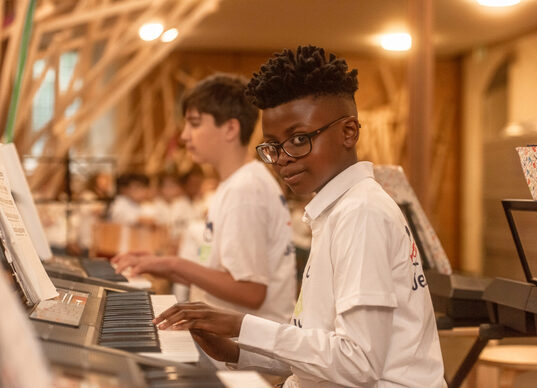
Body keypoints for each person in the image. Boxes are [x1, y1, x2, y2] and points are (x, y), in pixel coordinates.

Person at [153, 46, 446, 387]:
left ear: (348, 133)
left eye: (298, 139)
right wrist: (234, 350)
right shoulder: (337, 209)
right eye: (273, 146)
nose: (282, 158)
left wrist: (240, 326)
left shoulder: (361, 212)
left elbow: (359, 362)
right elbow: (318, 344)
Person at [112, 74, 296, 324]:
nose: (185, 136)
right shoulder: (235, 183)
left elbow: (251, 292)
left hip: (250, 352)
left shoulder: (245, 189)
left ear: (230, 128)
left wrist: (176, 265)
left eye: (195, 124)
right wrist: (160, 263)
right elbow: (220, 275)